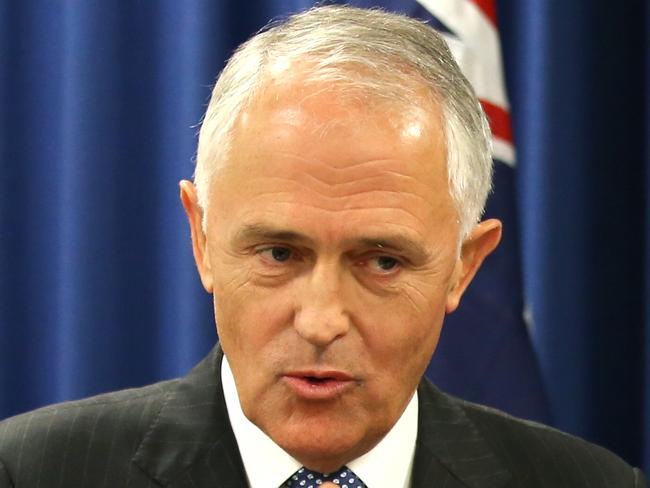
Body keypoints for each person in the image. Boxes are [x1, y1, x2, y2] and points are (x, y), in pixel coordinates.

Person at [0, 5, 646, 487]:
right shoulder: (31, 473)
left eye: (383, 262)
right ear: (202, 237)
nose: (320, 322)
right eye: (279, 254)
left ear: (463, 267)